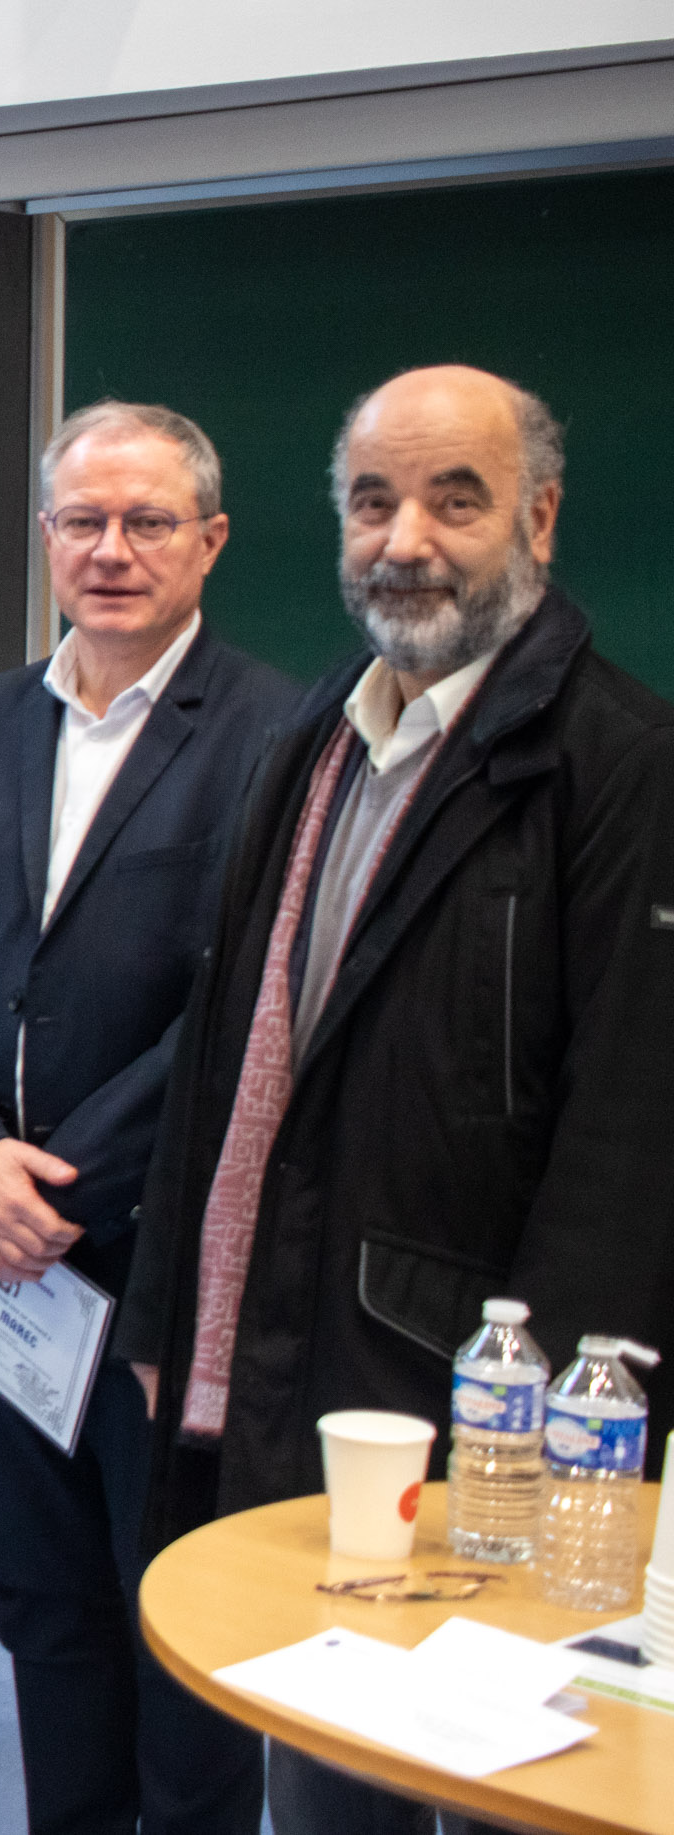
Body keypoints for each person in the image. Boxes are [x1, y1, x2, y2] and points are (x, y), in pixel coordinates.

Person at [123, 365, 674, 1835]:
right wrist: (177, 1319)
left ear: (540, 520)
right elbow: (232, 1057)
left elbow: (633, 1132)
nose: (405, 539)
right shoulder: (321, 735)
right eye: (373, 501)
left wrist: (539, 1435)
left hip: (482, 1392)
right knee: (325, 1743)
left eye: (456, 498)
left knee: (504, 1777)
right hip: (306, 1346)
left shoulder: (619, 763)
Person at [0, 402, 288, 1835]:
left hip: (158, 1261)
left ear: (210, 542)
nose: (112, 552)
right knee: (39, 1605)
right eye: (84, 523)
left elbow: (251, 1002)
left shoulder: (279, 735)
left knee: (176, 1621)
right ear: (46, 537)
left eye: (148, 522)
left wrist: (60, 1181)